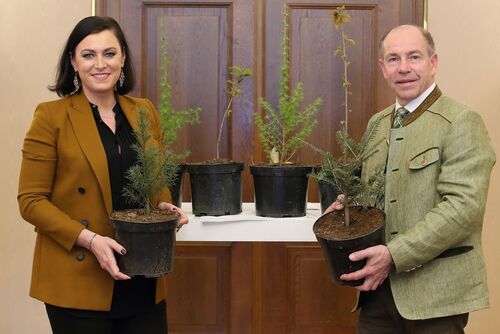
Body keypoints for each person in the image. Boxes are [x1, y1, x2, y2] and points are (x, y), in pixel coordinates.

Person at [18, 16, 188, 334]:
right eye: (88, 54)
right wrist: (92, 240)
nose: (100, 64)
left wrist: (164, 204)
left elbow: (154, 179)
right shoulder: (50, 117)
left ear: (122, 57)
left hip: (143, 277)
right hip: (79, 279)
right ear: (73, 61)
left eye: (109, 53)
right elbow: (30, 201)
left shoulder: (143, 111)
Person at [326, 24, 496, 333]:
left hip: (437, 297)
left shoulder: (460, 121)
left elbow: (463, 209)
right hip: (377, 295)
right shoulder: (377, 124)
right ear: (383, 68)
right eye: (393, 59)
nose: (404, 68)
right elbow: (374, 195)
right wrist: (347, 206)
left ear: (433, 63)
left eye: (414, 57)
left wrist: (394, 255)